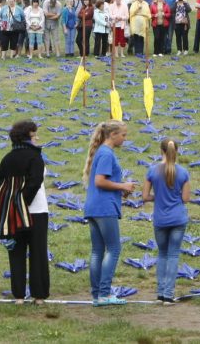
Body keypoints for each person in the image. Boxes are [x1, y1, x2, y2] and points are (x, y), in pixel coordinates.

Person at [0, 120, 49, 305]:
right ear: (28, 136)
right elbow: (34, 182)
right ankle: (39, 295)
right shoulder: (35, 157)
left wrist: (14, 204)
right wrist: (23, 202)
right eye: (35, 135)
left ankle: (18, 295)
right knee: (38, 253)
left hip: (12, 213)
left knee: (16, 252)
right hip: (36, 211)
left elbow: (0, 183)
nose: (37, 138)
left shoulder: (7, 158)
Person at [83, 120, 135, 307]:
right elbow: (100, 181)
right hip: (105, 208)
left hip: (94, 207)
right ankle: (104, 294)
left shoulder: (100, 152)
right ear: (112, 135)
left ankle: (97, 295)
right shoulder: (106, 153)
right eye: (123, 135)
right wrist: (123, 185)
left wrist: (120, 190)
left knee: (97, 251)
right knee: (113, 249)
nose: (125, 139)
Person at [142, 138, 191, 304]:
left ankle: (160, 294)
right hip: (178, 218)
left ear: (161, 151)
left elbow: (145, 196)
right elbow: (185, 198)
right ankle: (169, 295)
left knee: (162, 254)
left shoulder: (152, 171)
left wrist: (159, 197)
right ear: (176, 151)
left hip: (160, 219)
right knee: (173, 255)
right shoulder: (183, 172)